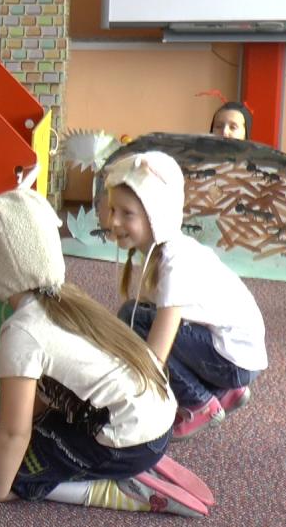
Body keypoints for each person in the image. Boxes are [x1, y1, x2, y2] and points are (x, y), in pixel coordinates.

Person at [0, 170, 212, 517]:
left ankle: (118, 488)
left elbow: (13, 432)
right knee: (33, 442)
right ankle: (132, 461)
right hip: (158, 422)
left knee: (17, 478)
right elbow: (38, 406)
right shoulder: (71, 300)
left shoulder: (22, 332)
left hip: (130, 442)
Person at [104, 150, 267, 440]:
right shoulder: (164, 249)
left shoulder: (174, 261)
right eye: (112, 210)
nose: (114, 221)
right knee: (136, 314)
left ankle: (199, 403)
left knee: (135, 321)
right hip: (237, 356)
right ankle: (224, 392)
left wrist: (135, 397)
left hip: (234, 361)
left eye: (127, 214)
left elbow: (158, 348)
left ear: (155, 214)